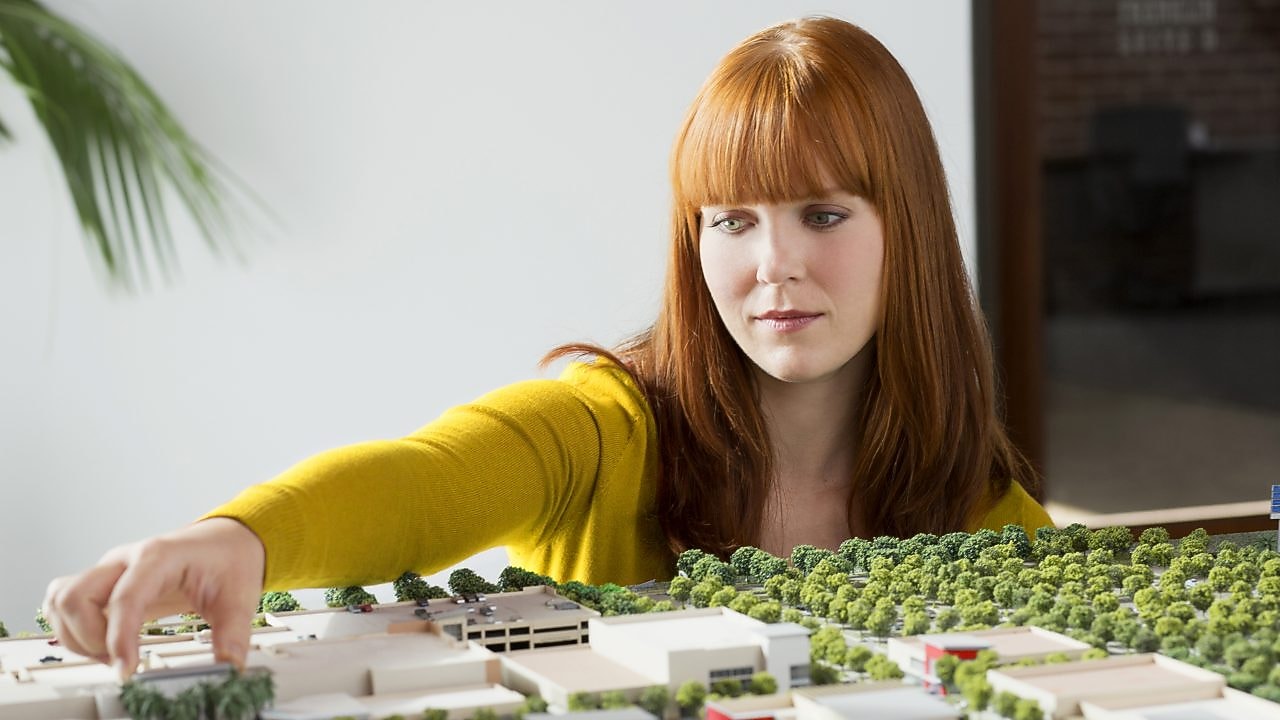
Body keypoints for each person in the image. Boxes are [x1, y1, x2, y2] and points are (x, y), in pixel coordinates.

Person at [44, 16, 1053, 681]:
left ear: (907, 229)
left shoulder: (981, 512)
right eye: (730, 220)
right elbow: (418, 480)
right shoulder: (605, 432)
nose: (770, 265)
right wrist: (241, 540)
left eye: (822, 215)